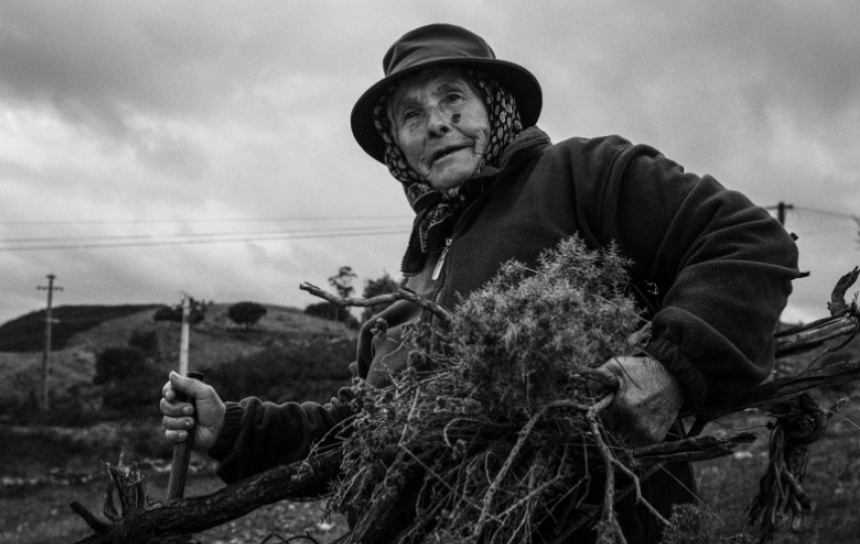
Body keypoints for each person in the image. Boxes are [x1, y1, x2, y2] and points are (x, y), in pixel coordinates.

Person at [160, 23, 800, 543]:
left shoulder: (580, 174)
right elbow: (363, 432)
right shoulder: (412, 282)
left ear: (495, 107)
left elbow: (747, 241)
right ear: (399, 149)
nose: (434, 123)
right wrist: (235, 428)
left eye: (452, 99)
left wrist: (671, 366)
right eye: (410, 115)